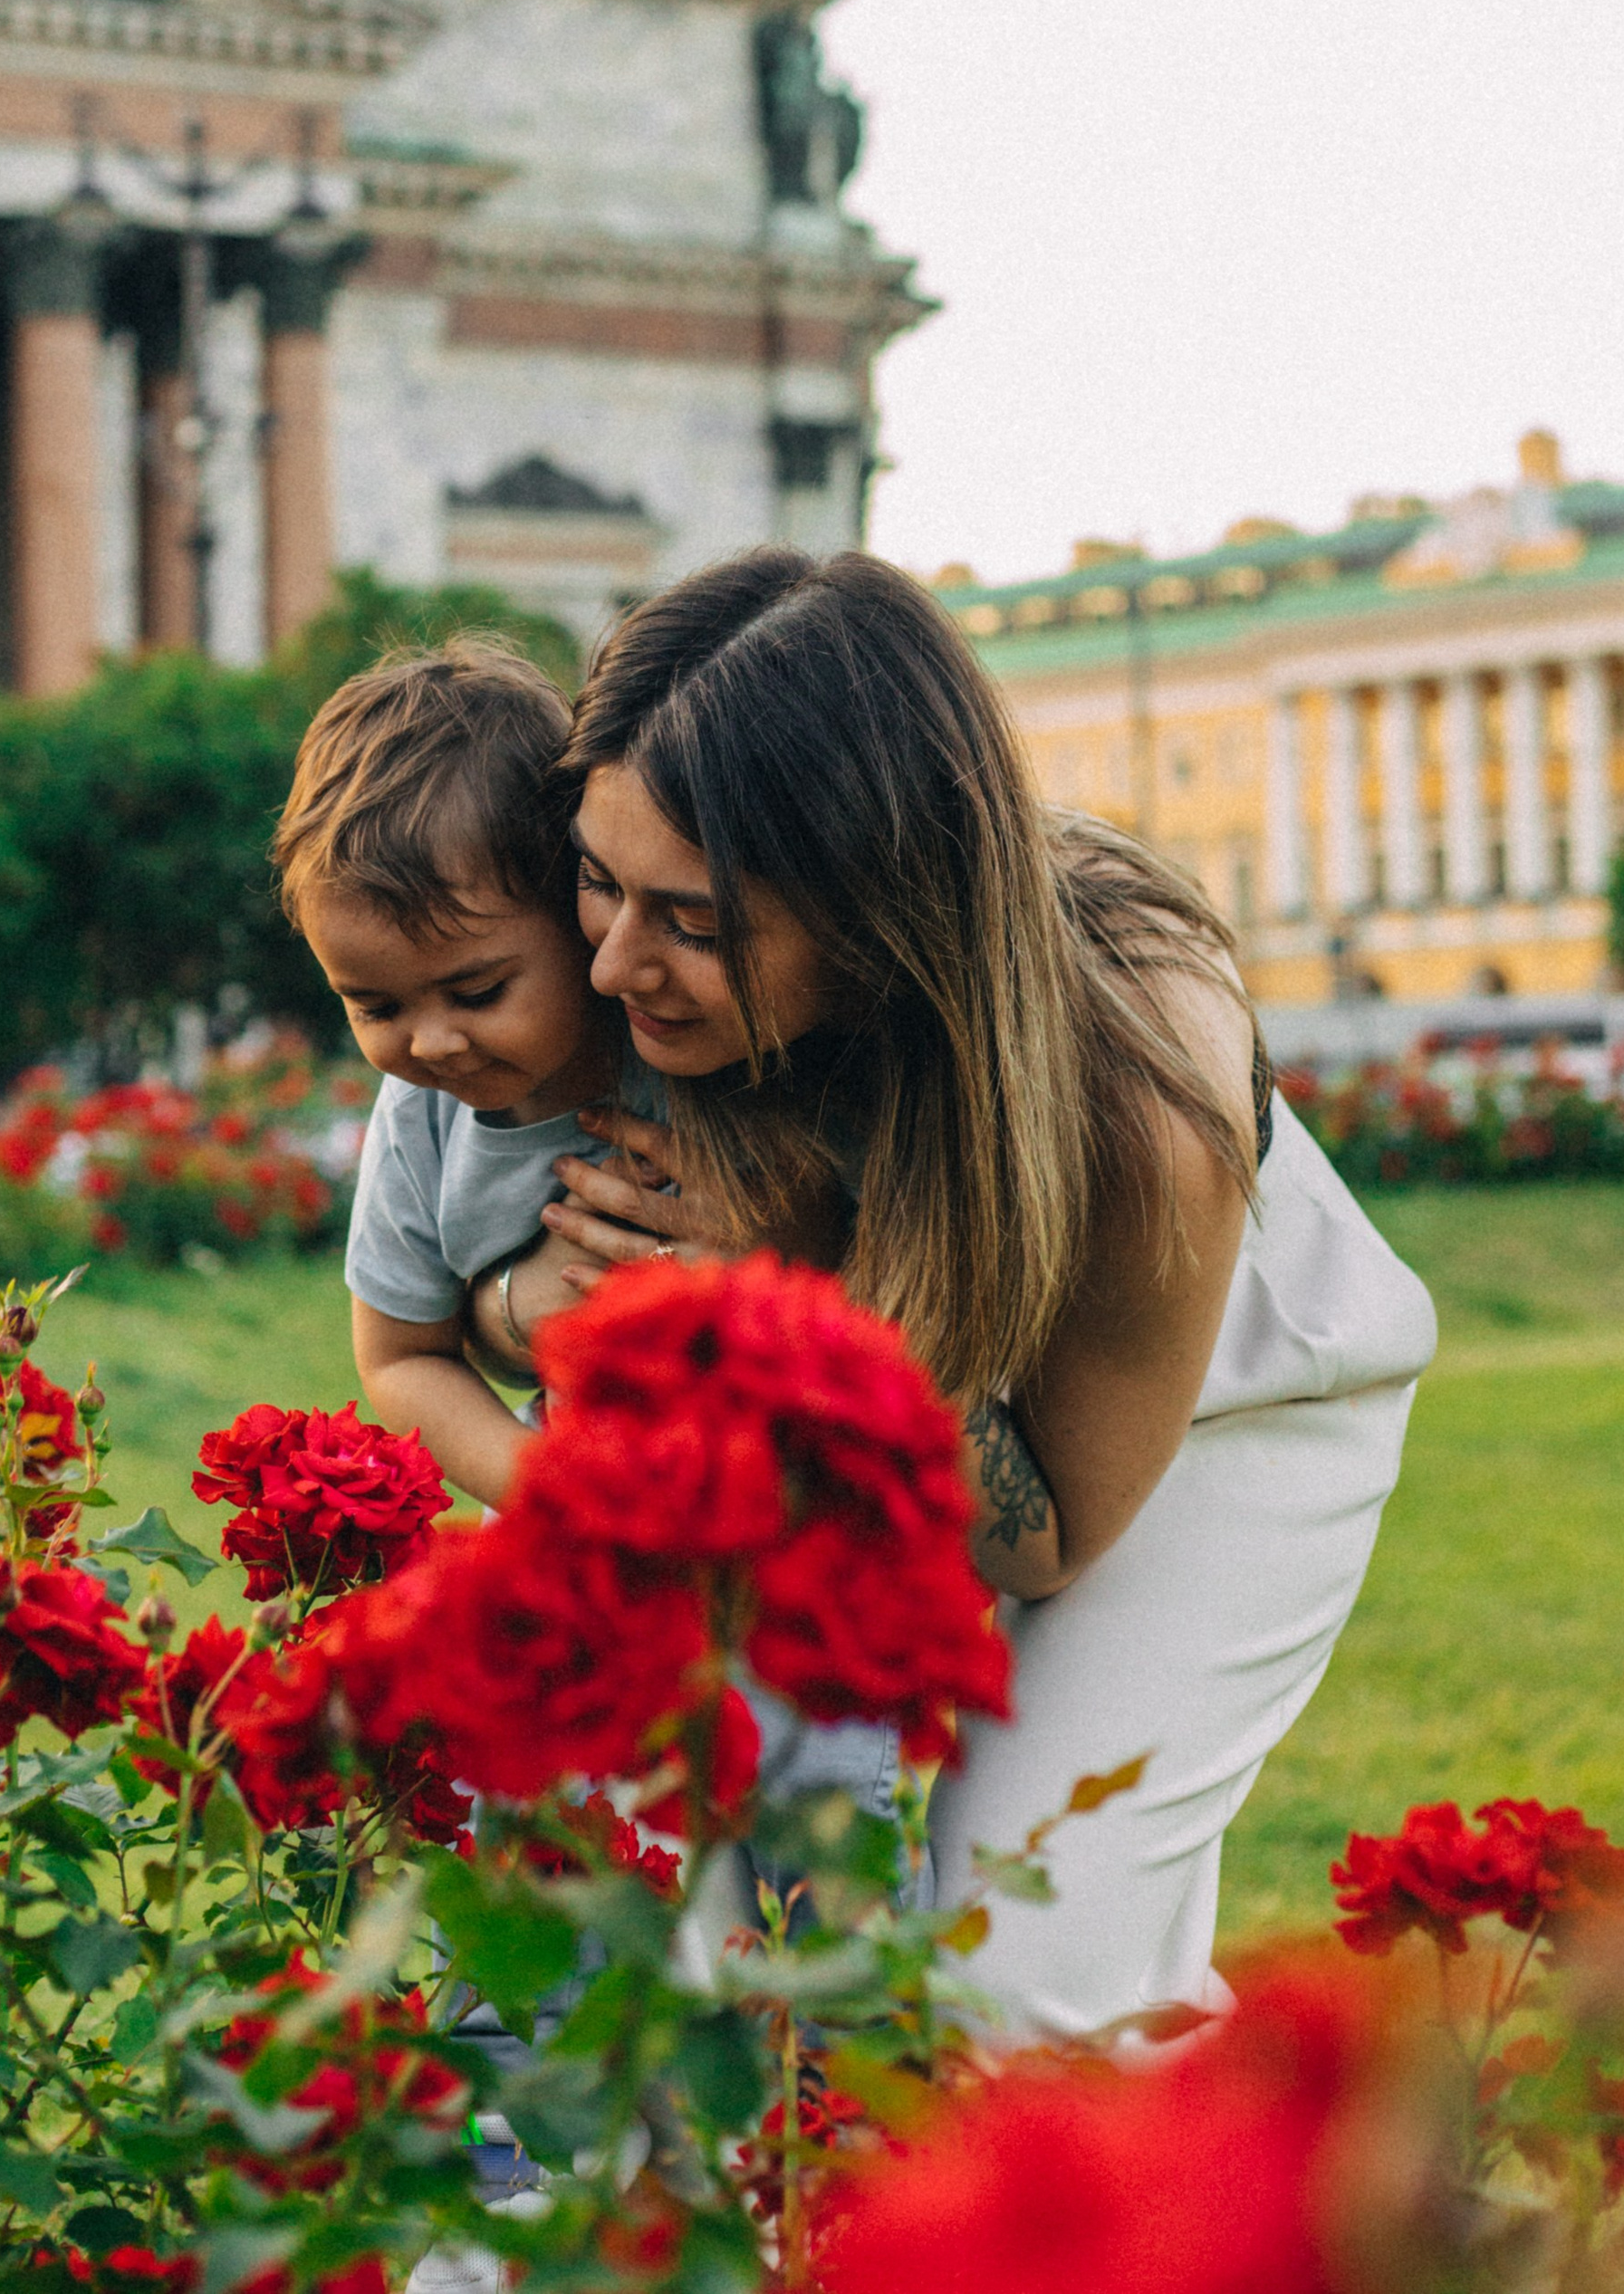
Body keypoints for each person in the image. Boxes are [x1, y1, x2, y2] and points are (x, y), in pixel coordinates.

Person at [466, 548, 1438, 2038]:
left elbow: (1043, 1542)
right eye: (598, 883)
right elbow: (478, 1299)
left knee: (1029, 1979)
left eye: (696, 923)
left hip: (1217, 1422)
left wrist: (797, 1283)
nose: (609, 964)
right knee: (712, 1948)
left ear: (871, 912)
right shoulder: (636, 965)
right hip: (871, 1396)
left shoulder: (1140, 1102)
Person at [278, 641, 619, 1509]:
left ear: (579, 912)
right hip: (590, 1529)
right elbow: (400, 1354)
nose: (429, 1045)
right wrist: (551, 1496)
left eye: (476, 990)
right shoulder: (419, 1118)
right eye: (376, 1009)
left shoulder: (674, 1050)